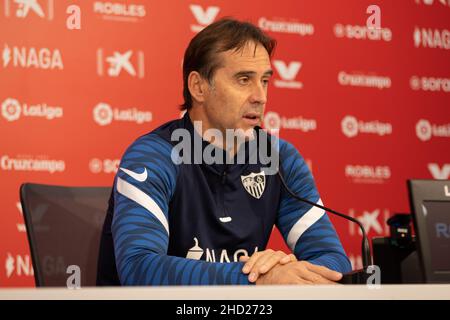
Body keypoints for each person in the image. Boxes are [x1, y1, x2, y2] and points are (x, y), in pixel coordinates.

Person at [96, 18, 351, 286]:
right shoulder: (152, 156)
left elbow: (333, 261)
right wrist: (258, 279)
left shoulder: (279, 158)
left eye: (264, 81)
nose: (260, 96)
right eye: (244, 79)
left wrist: (284, 270)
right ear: (198, 87)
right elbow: (139, 269)